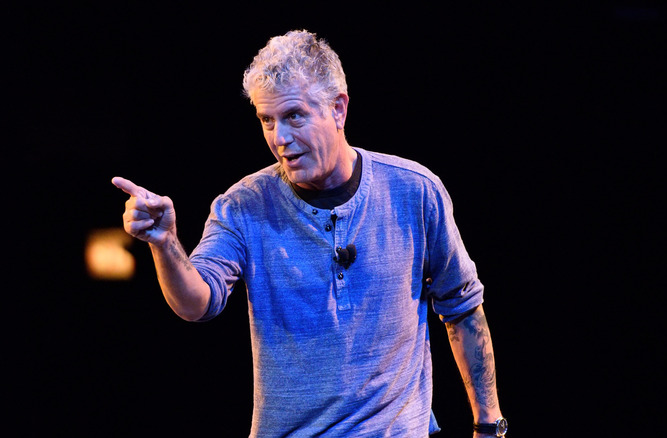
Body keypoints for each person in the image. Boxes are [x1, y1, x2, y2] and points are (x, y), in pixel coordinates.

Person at [112, 29, 507, 437]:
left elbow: (462, 309)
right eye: (267, 120)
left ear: (338, 109)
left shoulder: (414, 191)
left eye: (294, 116)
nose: (279, 139)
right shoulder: (243, 206)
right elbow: (197, 302)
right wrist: (165, 243)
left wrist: (489, 426)